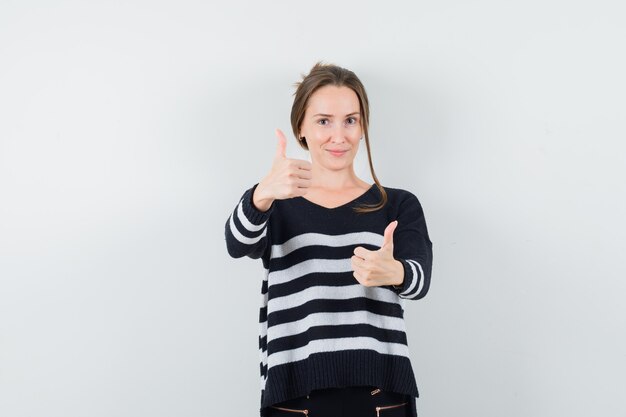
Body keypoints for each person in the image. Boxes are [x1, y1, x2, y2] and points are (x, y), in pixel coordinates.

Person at [224, 61, 433, 417]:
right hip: (295, 394)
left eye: (350, 120)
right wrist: (261, 194)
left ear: (363, 126)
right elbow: (238, 243)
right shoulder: (274, 202)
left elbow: (419, 281)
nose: (339, 136)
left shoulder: (397, 203)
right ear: (301, 128)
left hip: (381, 394)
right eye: (324, 121)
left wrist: (393, 272)